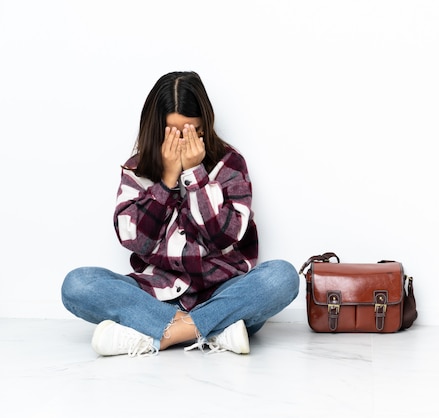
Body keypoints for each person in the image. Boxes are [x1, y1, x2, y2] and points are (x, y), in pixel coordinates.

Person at [61, 71, 299, 357]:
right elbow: (135, 240)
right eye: (173, 132)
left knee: (281, 277)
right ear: (156, 128)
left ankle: (156, 334)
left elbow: (226, 235)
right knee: (77, 284)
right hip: (156, 295)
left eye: (191, 130)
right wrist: (167, 181)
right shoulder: (137, 170)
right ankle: (214, 332)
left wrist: (195, 176)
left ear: (204, 125)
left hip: (222, 293)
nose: (183, 140)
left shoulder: (230, 163)